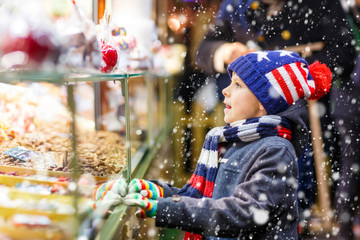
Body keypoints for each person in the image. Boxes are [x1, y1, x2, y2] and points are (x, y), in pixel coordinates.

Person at [105, 50, 332, 240]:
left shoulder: (275, 149)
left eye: (238, 85)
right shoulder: (237, 140)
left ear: (265, 102)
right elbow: (207, 200)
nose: (225, 90)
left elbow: (242, 213)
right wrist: (156, 192)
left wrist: (164, 208)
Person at [195, 0, 356, 218]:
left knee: (295, 191)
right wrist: (226, 52)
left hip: (301, 116)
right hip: (244, 117)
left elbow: (343, 52)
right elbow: (204, 50)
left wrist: (293, 75)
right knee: (239, 184)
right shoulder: (236, 3)